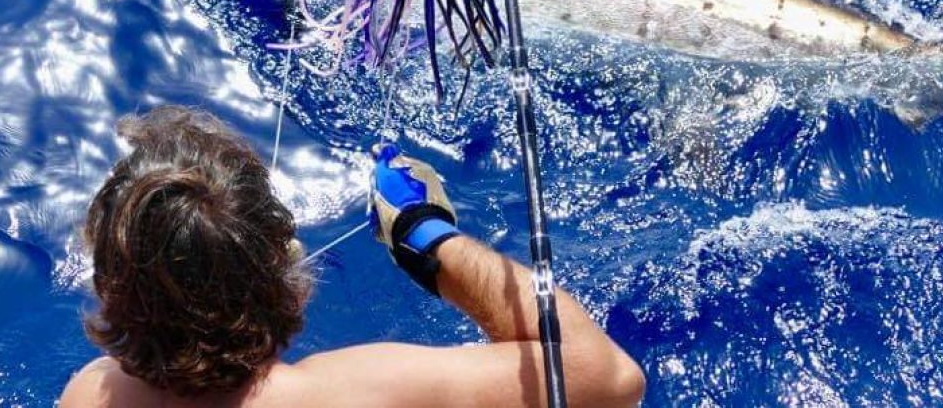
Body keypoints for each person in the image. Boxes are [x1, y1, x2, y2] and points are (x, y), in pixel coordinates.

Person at [59, 106, 645, 407]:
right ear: (286, 271)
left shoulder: (90, 394)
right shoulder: (360, 393)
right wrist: (427, 236)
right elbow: (612, 380)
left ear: (110, 288)